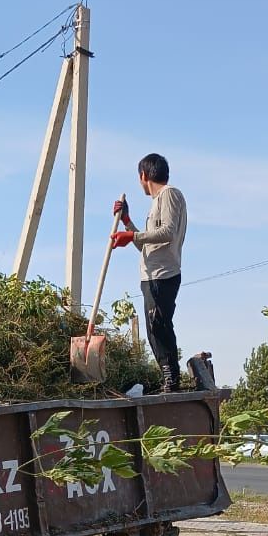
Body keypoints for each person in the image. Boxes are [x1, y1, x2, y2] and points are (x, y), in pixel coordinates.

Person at [111, 153, 187, 392]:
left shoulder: (170, 194)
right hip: (151, 274)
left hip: (164, 274)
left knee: (160, 326)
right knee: (154, 329)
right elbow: (145, 245)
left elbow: (167, 232)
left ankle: (171, 380)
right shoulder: (156, 203)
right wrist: (127, 222)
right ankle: (168, 378)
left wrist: (131, 235)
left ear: (143, 175)